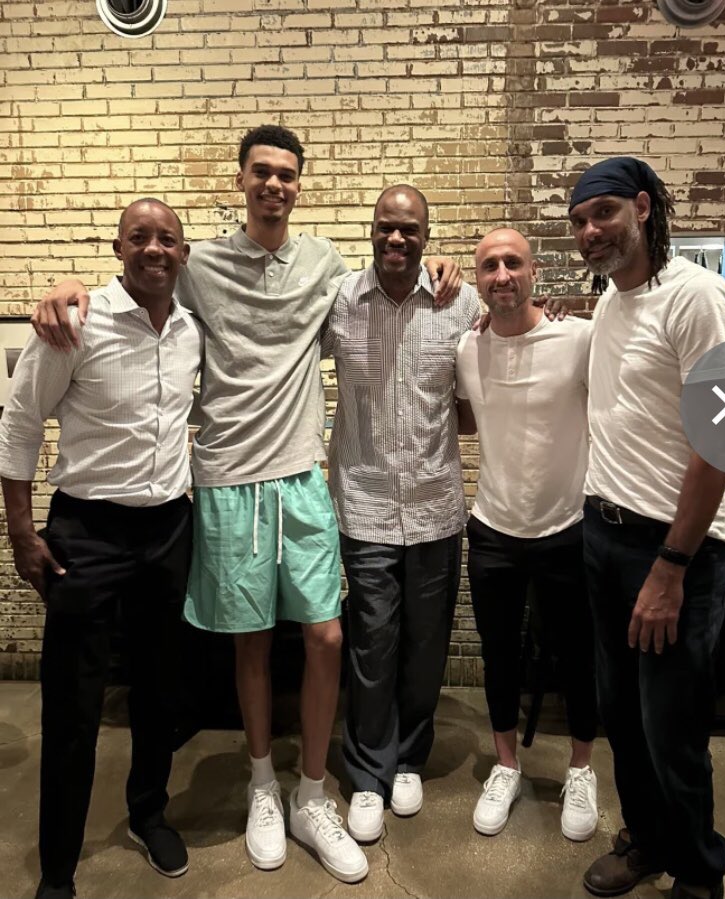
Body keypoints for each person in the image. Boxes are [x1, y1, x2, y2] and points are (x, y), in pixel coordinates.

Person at [30, 125, 461, 884]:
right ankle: (264, 785)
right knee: (253, 643)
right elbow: (136, 280)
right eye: (261, 172)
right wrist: (66, 289)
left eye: (287, 174)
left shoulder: (326, 263)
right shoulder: (197, 266)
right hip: (227, 477)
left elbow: (388, 282)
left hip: (301, 477)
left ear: (300, 185)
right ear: (241, 181)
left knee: (326, 637)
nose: (274, 185)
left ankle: (313, 793)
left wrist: (448, 272)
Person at [0, 199, 202, 899]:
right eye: (139, 237)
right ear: (117, 247)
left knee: (158, 689)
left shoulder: (188, 330)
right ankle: (58, 865)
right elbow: (21, 423)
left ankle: (148, 811)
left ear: (183, 253)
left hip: (170, 529)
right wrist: (22, 531)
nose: (154, 249)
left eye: (167, 239)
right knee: (73, 703)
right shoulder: (75, 324)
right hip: (87, 533)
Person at [568, 157, 725, 899]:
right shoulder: (610, 301)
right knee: (623, 719)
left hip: (676, 551)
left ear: (642, 207)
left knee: (672, 729)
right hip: (603, 537)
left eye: (602, 212)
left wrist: (671, 566)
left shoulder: (701, 298)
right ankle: (648, 841)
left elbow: (722, 438)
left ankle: (700, 874)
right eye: (578, 220)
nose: (589, 230)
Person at [321, 185, 480, 843]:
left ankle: (409, 757)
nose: (396, 240)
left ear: (426, 235)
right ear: (371, 230)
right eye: (386, 227)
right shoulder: (337, 302)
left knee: (424, 646)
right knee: (372, 643)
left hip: (436, 505)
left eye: (409, 230)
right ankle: (366, 773)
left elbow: (498, 364)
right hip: (363, 505)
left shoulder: (460, 302)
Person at [454, 227, 599, 843]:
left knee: (578, 653)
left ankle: (583, 769)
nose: (502, 275)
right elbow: (464, 418)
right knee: (499, 653)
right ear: (478, 279)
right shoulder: (468, 346)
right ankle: (507, 765)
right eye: (489, 266)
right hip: (492, 527)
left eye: (513, 263)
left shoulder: (579, 338)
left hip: (566, 525)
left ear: (535, 271)